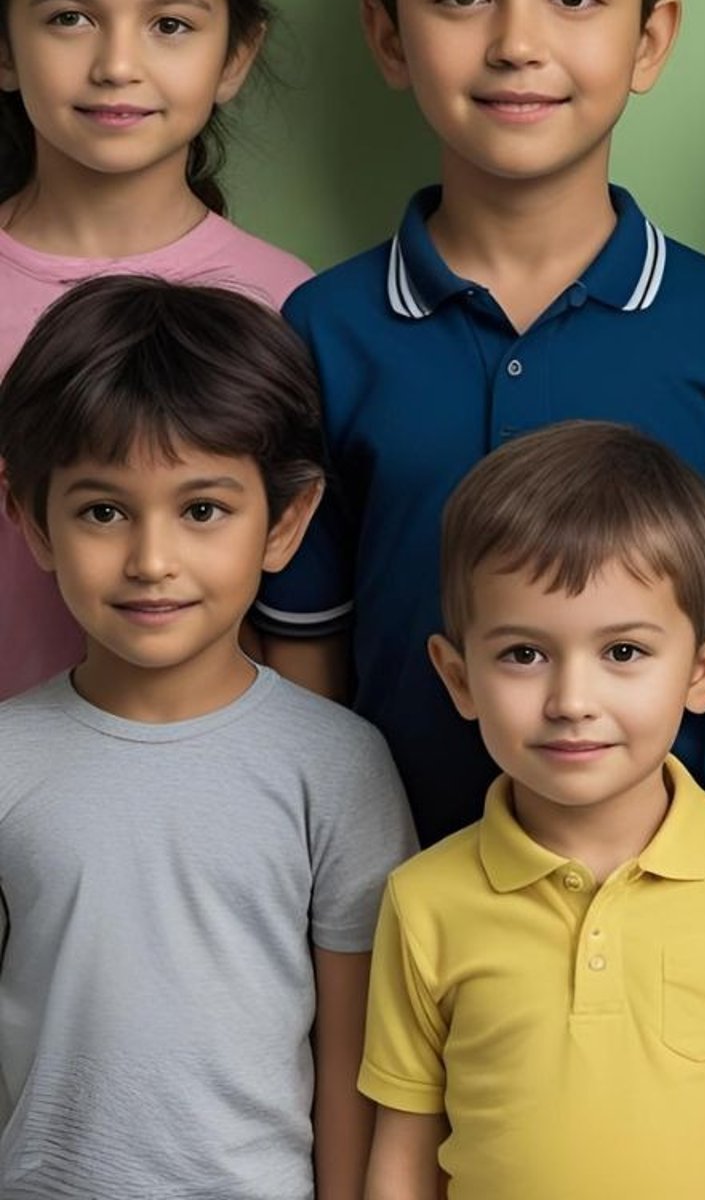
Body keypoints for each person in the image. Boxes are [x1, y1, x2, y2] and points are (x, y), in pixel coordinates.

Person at [251, 0, 705, 841]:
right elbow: (304, 653)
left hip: (671, 905)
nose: (518, 42)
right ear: (388, 34)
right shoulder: (324, 330)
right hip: (397, 892)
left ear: (649, 38)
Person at [0, 277, 413, 1200]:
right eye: (103, 511)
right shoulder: (6, 760)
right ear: (30, 516)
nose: (152, 561)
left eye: (201, 510)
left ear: (286, 522)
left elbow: (353, 1058)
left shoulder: (338, 766)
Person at [359, 422, 705, 1199]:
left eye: (623, 652)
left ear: (703, 669)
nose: (572, 701)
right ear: (459, 676)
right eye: (523, 654)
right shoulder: (423, 899)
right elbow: (403, 1154)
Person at [0, 0, 308, 699]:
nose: (117, 65)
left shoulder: (293, 307)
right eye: (69, 18)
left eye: (170, 24)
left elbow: (297, 623)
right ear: (4, 46)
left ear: (235, 55)